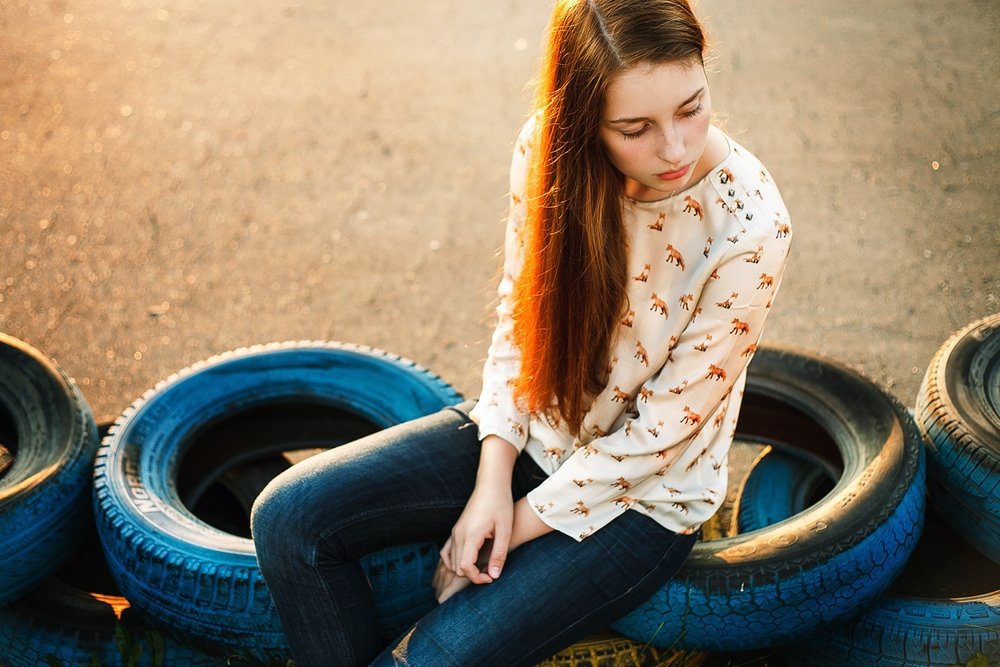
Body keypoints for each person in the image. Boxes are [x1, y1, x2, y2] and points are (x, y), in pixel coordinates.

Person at [251, 0, 792, 664]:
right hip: (539, 430)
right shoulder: (549, 149)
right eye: (634, 129)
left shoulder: (751, 225)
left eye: (691, 107)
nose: (673, 148)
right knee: (288, 519)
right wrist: (491, 481)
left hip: (641, 502)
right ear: (585, 118)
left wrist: (508, 524)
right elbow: (521, 318)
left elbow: (658, 437)